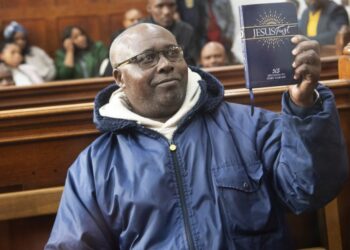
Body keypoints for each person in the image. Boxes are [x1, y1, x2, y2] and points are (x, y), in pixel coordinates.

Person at [45, 23, 348, 249]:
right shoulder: (95, 166)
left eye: (172, 52)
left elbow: (309, 190)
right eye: (147, 58)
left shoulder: (249, 125)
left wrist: (304, 107)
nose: (165, 64)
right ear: (119, 79)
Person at [142, 0, 198, 65]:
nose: (167, 11)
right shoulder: (137, 33)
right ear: (149, 8)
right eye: (160, 6)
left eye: (171, 5)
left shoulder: (186, 30)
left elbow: (191, 63)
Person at [102, 8, 144, 76]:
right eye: (132, 20)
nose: (136, 22)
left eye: (139, 19)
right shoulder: (116, 37)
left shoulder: (149, 34)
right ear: (125, 22)